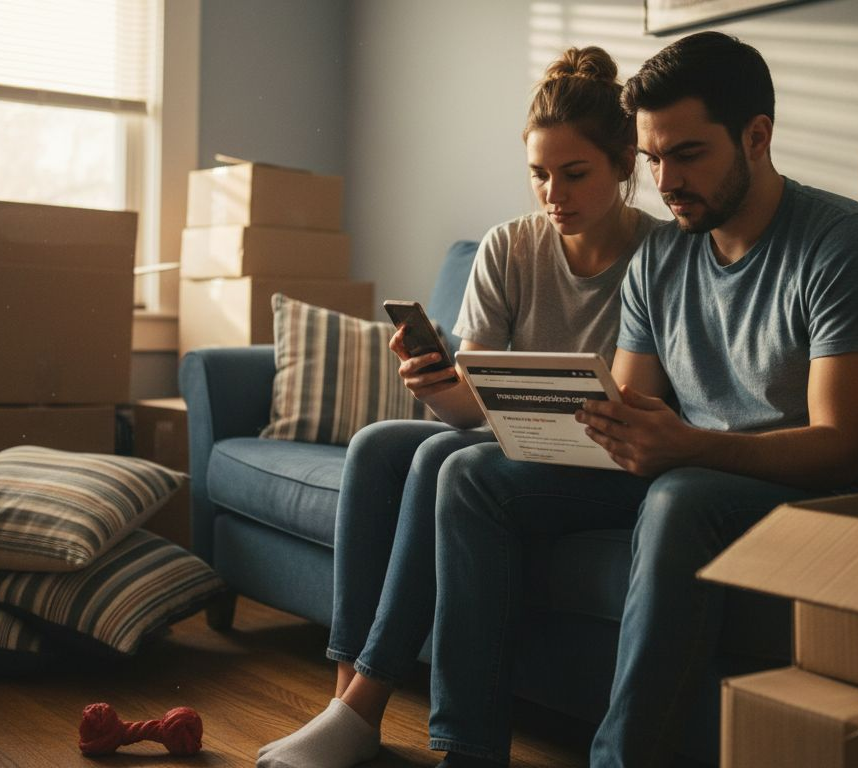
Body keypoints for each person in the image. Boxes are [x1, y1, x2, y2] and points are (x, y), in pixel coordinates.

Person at [426, 31, 858, 768]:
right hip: (685, 473)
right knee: (471, 474)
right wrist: (576, 419)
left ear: (757, 136)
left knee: (680, 496)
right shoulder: (663, 254)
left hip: (795, 491)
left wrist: (686, 445)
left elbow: (843, 446)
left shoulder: (842, 246)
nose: (665, 180)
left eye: (686, 154)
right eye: (652, 159)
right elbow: (630, 405)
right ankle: (466, 751)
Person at [256, 46, 662, 768]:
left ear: (625, 162)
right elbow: (472, 405)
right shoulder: (509, 247)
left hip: (607, 460)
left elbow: (643, 405)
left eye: (575, 174)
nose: (553, 195)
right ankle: (347, 698)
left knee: (449, 459)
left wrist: (474, 417)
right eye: (539, 175)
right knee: (384, 442)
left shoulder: (661, 257)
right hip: (513, 448)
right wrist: (440, 388)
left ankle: (392, 720)